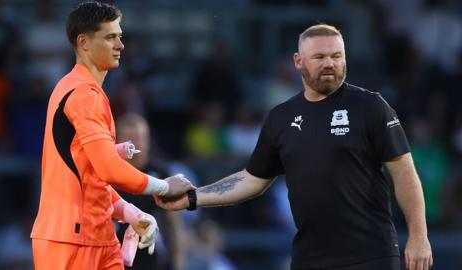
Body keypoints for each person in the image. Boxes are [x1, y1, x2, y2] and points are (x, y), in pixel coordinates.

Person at [156, 23, 433, 270]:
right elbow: (253, 180)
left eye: (337, 56)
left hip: (371, 255)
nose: (329, 64)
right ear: (298, 61)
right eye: (320, 57)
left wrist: (419, 236)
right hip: (309, 258)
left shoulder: (371, 106)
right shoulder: (281, 118)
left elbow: (404, 173)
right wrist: (193, 197)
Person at [30, 2, 194, 270]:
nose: (121, 45)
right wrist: (164, 186)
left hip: (98, 237)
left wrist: (131, 212)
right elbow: (109, 169)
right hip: (71, 242)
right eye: (110, 37)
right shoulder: (82, 94)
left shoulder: (87, 92)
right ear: (84, 43)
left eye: (120, 36)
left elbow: (92, 177)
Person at [115, 113, 186, 270]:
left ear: (148, 141)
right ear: (118, 141)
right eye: (129, 138)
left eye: (139, 137)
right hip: (113, 253)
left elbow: (174, 222)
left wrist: (178, 261)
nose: (135, 143)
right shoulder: (108, 173)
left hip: (151, 254)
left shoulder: (160, 173)